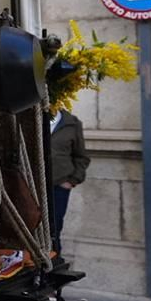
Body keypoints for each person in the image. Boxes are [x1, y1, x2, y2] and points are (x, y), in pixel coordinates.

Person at [49, 108, 90, 254]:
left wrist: (72, 180)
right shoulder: (32, 120)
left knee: (54, 228)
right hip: (32, 185)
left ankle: (53, 264)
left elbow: (81, 156)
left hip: (59, 185)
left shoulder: (71, 123)